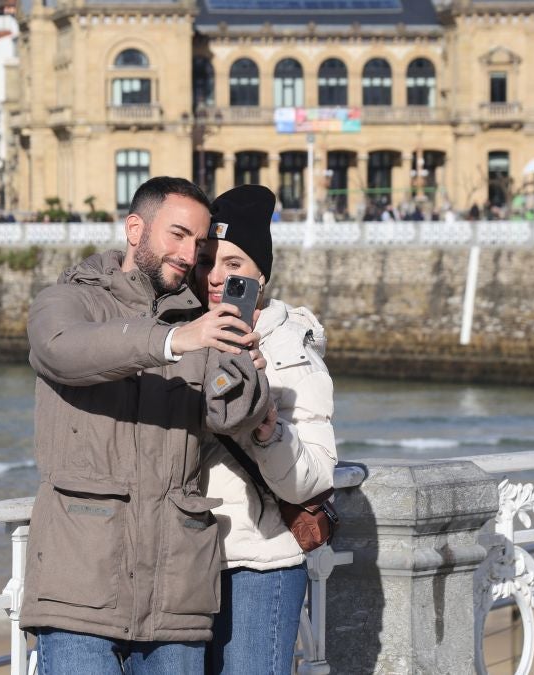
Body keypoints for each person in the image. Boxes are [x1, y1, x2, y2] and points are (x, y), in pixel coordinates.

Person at [22, 176, 271, 673]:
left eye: (198, 242)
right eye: (177, 234)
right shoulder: (69, 301)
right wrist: (171, 341)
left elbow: (228, 415)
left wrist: (243, 367)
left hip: (176, 597)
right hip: (78, 587)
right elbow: (60, 349)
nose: (189, 254)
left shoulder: (199, 320)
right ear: (135, 229)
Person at [193, 184, 337, 675]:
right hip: (185, 562)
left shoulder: (289, 351)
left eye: (233, 264)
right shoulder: (181, 336)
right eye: (206, 261)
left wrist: (267, 428)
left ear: (261, 274)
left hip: (259, 564)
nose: (216, 277)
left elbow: (314, 479)